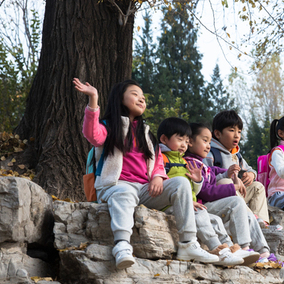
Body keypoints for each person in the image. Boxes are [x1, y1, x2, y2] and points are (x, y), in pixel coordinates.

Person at [74, 78, 218, 269]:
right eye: (135, 94)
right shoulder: (110, 127)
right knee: (124, 193)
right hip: (116, 185)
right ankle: (122, 244)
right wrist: (93, 99)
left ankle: (188, 243)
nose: (141, 99)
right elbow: (92, 134)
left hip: (144, 189)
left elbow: (157, 160)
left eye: (143, 97)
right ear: (120, 99)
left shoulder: (146, 133)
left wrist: (158, 177)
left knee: (181, 183)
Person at [157, 117, 244, 266]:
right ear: (164, 139)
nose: (184, 145)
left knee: (215, 219)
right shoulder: (162, 159)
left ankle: (230, 249)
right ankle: (218, 250)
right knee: (201, 214)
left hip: (191, 204)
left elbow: (193, 191)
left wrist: (197, 182)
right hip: (172, 205)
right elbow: (163, 185)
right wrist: (186, 202)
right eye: (180, 140)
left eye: (186, 141)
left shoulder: (184, 162)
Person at [185, 122, 274, 264]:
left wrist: (228, 172)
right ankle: (244, 247)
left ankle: (264, 252)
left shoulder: (200, 163)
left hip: (209, 205)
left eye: (209, 141)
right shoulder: (191, 164)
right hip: (204, 205)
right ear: (189, 142)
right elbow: (206, 192)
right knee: (237, 202)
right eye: (204, 141)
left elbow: (213, 172)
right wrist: (234, 188)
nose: (208, 146)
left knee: (248, 216)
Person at [208, 110, 278, 229]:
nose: (237, 135)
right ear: (218, 134)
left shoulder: (236, 154)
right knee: (226, 182)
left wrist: (251, 174)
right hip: (220, 196)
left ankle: (262, 222)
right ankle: (250, 218)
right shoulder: (210, 152)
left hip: (238, 195)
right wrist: (230, 179)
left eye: (239, 132)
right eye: (231, 130)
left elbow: (250, 169)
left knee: (258, 187)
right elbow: (207, 178)